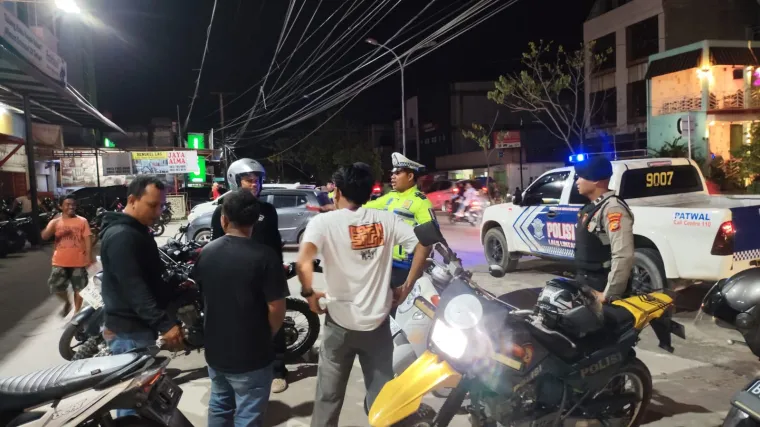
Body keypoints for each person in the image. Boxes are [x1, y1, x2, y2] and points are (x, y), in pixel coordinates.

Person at [296, 163, 429, 427]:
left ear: (338, 191)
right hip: (377, 326)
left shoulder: (324, 222)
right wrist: (406, 286)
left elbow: (303, 263)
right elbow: (423, 244)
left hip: (339, 325)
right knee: (383, 401)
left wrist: (310, 295)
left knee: (327, 398)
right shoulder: (387, 220)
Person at [193, 190, 287, 427]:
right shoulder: (266, 257)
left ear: (224, 219)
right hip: (252, 354)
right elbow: (277, 308)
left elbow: (202, 295)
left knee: (219, 405)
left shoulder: (207, 252)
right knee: (248, 415)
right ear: (255, 221)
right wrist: (266, 335)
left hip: (216, 351)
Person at [210, 158, 291, 393]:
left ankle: (277, 370)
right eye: (248, 180)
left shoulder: (268, 211)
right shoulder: (221, 212)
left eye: (257, 180)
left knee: (274, 321)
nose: (254, 184)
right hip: (236, 279)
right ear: (235, 181)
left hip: (265, 275)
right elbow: (218, 246)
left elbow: (274, 243)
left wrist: (279, 269)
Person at [99, 176, 183, 353]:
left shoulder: (137, 230)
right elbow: (133, 287)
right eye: (152, 205)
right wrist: (164, 325)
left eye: (161, 206)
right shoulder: (122, 235)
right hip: (129, 332)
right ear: (132, 200)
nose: (158, 212)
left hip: (138, 328)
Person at [364, 152, 436, 288]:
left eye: (397, 173)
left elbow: (428, 241)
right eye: (392, 173)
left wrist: (409, 282)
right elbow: (364, 208)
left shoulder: (421, 202)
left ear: (410, 176)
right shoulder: (391, 197)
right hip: (385, 263)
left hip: (405, 269)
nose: (392, 176)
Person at [574, 156, 635, 302]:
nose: (577, 181)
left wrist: (609, 294)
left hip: (601, 286)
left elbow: (623, 255)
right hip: (588, 282)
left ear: (595, 180)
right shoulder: (593, 207)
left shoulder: (612, 208)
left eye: (581, 177)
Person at [41, 195, 92, 317]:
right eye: (67, 204)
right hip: (59, 261)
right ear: (60, 206)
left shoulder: (82, 221)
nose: (71, 207)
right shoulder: (56, 221)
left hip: (78, 260)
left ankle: (76, 313)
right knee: (55, 286)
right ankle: (67, 302)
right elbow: (44, 236)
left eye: (73, 204)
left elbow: (87, 239)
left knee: (79, 288)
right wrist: (52, 223)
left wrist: (88, 256)